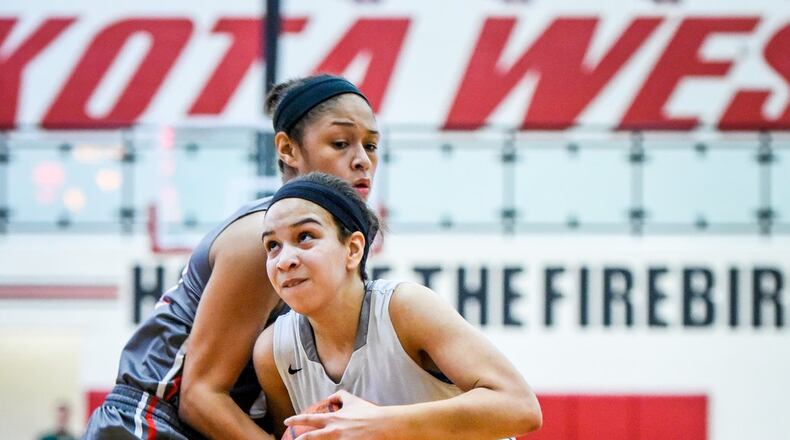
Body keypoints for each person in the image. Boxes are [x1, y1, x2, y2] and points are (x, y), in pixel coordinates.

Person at [84, 74, 380, 439]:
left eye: (371, 145)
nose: (362, 160)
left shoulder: (333, 248)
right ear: (287, 150)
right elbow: (200, 396)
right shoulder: (262, 240)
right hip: (149, 421)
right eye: (340, 143)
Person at [254, 172, 542, 439]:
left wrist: (377, 424)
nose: (283, 260)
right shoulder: (274, 352)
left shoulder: (405, 308)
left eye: (305, 237)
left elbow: (519, 406)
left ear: (353, 249)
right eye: (272, 246)